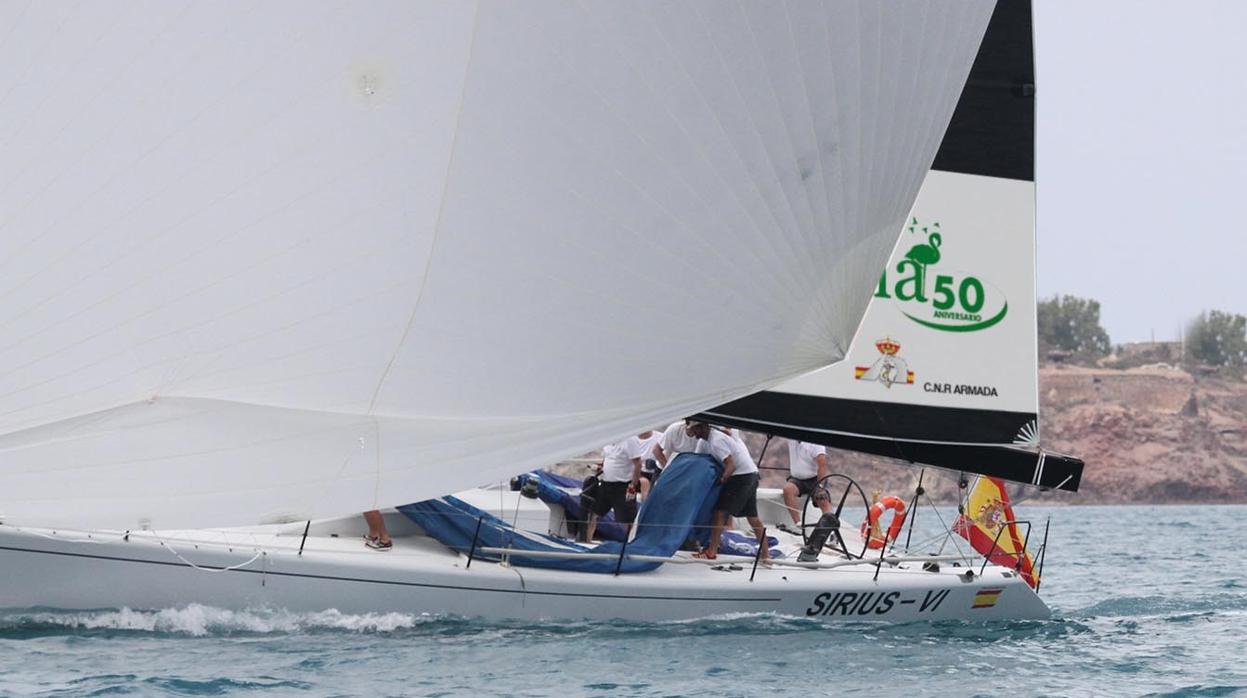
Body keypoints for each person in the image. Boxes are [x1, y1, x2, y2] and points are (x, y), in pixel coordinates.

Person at [685, 421, 767, 562]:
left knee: (719, 513)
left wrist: (720, 481)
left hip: (741, 477)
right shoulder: (706, 440)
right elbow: (698, 460)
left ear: (703, 427)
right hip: (751, 474)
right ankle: (766, 555)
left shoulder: (716, 440)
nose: (693, 433)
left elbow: (731, 465)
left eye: (694, 429)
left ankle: (711, 552)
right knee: (752, 517)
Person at [584, 431, 652, 541]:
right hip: (606, 484)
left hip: (623, 486)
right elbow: (608, 459)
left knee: (627, 519)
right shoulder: (608, 442)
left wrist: (632, 486)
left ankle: (629, 544)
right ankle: (587, 540)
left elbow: (637, 464)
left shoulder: (630, 440)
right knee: (593, 513)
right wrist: (600, 467)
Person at [779, 439, 831, 535]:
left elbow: (822, 465)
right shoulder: (791, 439)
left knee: (822, 498)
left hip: (815, 479)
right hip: (797, 479)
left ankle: (831, 531)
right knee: (788, 490)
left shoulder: (816, 444)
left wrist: (820, 486)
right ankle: (798, 525)